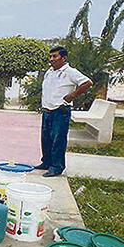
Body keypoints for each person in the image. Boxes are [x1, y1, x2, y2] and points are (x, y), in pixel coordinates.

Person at [35, 46, 93, 177]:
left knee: (58, 139)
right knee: (46, 139)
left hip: (60, 111)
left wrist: (72, 95)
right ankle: (47, 162)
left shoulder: (70, 72)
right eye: (50, 56)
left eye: (55, 56)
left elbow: (87, 83)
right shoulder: (49, 72)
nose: (51, 59)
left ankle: (57, 167)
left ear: (64, 58)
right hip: (47, 110)